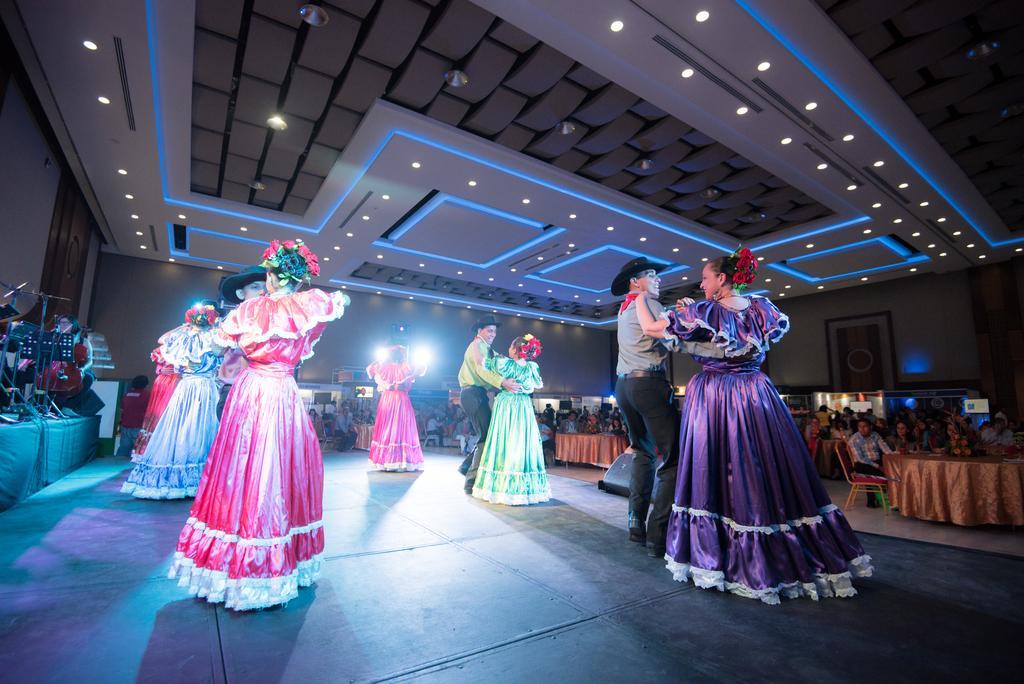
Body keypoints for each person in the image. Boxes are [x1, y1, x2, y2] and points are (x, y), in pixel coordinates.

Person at [643, 247, 870, 603]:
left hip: (717, 395)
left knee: (715, 467)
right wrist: (690, 311)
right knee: (763, 466)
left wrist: (641, 297)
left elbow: (650, 328)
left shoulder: (705, 311)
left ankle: (728, 555)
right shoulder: (761, 307)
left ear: (721, 279)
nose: (701, 284)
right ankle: (787, 549)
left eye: (704, 278)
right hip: (756, 393)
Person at [170, 239, 348, 611]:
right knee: (281, 469)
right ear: (298, 279)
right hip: (285, 392)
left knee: (243, 467)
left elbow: (218, 347)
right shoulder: (311, 306)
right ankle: (280, 560)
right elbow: (334, 309)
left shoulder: (249, 311)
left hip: (252, 390)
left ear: (272, 276)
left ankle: (241, 560)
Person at [611, 257, 681, 556]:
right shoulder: (646, 301)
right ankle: (658, 535)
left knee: (642, 453)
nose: (657, 279)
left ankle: (635, 524)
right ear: (635, 281)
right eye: (650, 275)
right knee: (673, 458)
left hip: (624, 386)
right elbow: (670, 340)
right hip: (648, 384)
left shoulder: (624, 307)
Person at [122, 302, 222, 499]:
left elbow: (163, 338)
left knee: (181, 429)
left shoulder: (184, 337)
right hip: (202, 388)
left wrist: (185, 326)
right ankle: (193, 479)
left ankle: (181, 477)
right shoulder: (212, 338)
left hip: (187, 388)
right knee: (195, 430)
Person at [472, 334, 550, 505]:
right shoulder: (532, 367)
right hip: (523, 406)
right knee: (521, 442)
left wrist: (479, 345)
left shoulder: (504, 363)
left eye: (510, 346)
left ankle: (503, 489)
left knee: (504, 441)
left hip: (507, 404)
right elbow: (536, 385)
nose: (508, 349)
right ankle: (525, 490)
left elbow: (483, 364)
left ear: (515, 350)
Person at [457, 315, 522, 494]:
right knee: (486, 434)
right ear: (480, 331)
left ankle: (466, 466)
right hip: (471, 393)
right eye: (489, 330)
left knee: (488, 433)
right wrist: (503, 382)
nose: (493, 334)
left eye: (494, 331)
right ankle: (470, 479)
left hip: (478, 394)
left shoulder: (486, 348)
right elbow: (481, 369)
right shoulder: (477, 345)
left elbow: (495, 364)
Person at [215, 264, 268, 418]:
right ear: (240, 293)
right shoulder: (234, 319)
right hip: (234, 389)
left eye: (266, 287)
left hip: (265, 391)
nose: (261, 291)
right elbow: (217, 350)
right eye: (254, 286)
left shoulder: (273, 320)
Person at [365, 345, 427, 471]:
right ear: (403, 356)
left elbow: (370, 368)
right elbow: (421, 367)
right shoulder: (406, 367)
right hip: (401, 399)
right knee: (402, 428)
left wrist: (387, 353)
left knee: (387, 427)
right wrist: (406, 352)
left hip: (387, 399)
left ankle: (387, 461)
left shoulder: (382, 367)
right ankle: (402, 461)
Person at [131, 340, 182, 457]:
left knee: (173, 415)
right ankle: (154, 450)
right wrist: (160, 370)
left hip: (179, 382)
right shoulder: (171, 343)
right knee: (160, 415)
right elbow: (160, 360)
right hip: (167, 382)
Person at [846, 418, 893, 507]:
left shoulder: (875, 435)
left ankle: (873, 499)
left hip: (876, 462)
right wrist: (878, 467)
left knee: (890, 470)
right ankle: (881, 498)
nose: (862, 429)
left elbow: (885, 449)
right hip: (862, 464)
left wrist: (893, 455)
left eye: (865, 426)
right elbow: (860, 458)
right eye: (859, 427)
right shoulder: (854, 439)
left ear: (870, 427)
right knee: (870, 470)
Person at [117, 375, 150, 457]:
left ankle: (116, 466)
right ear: (146, 384)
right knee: (137, 452)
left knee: (123, 449)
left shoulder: (126, 395)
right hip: (139, 427)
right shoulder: (147, 395)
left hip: (125, 427)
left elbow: (121, 410)